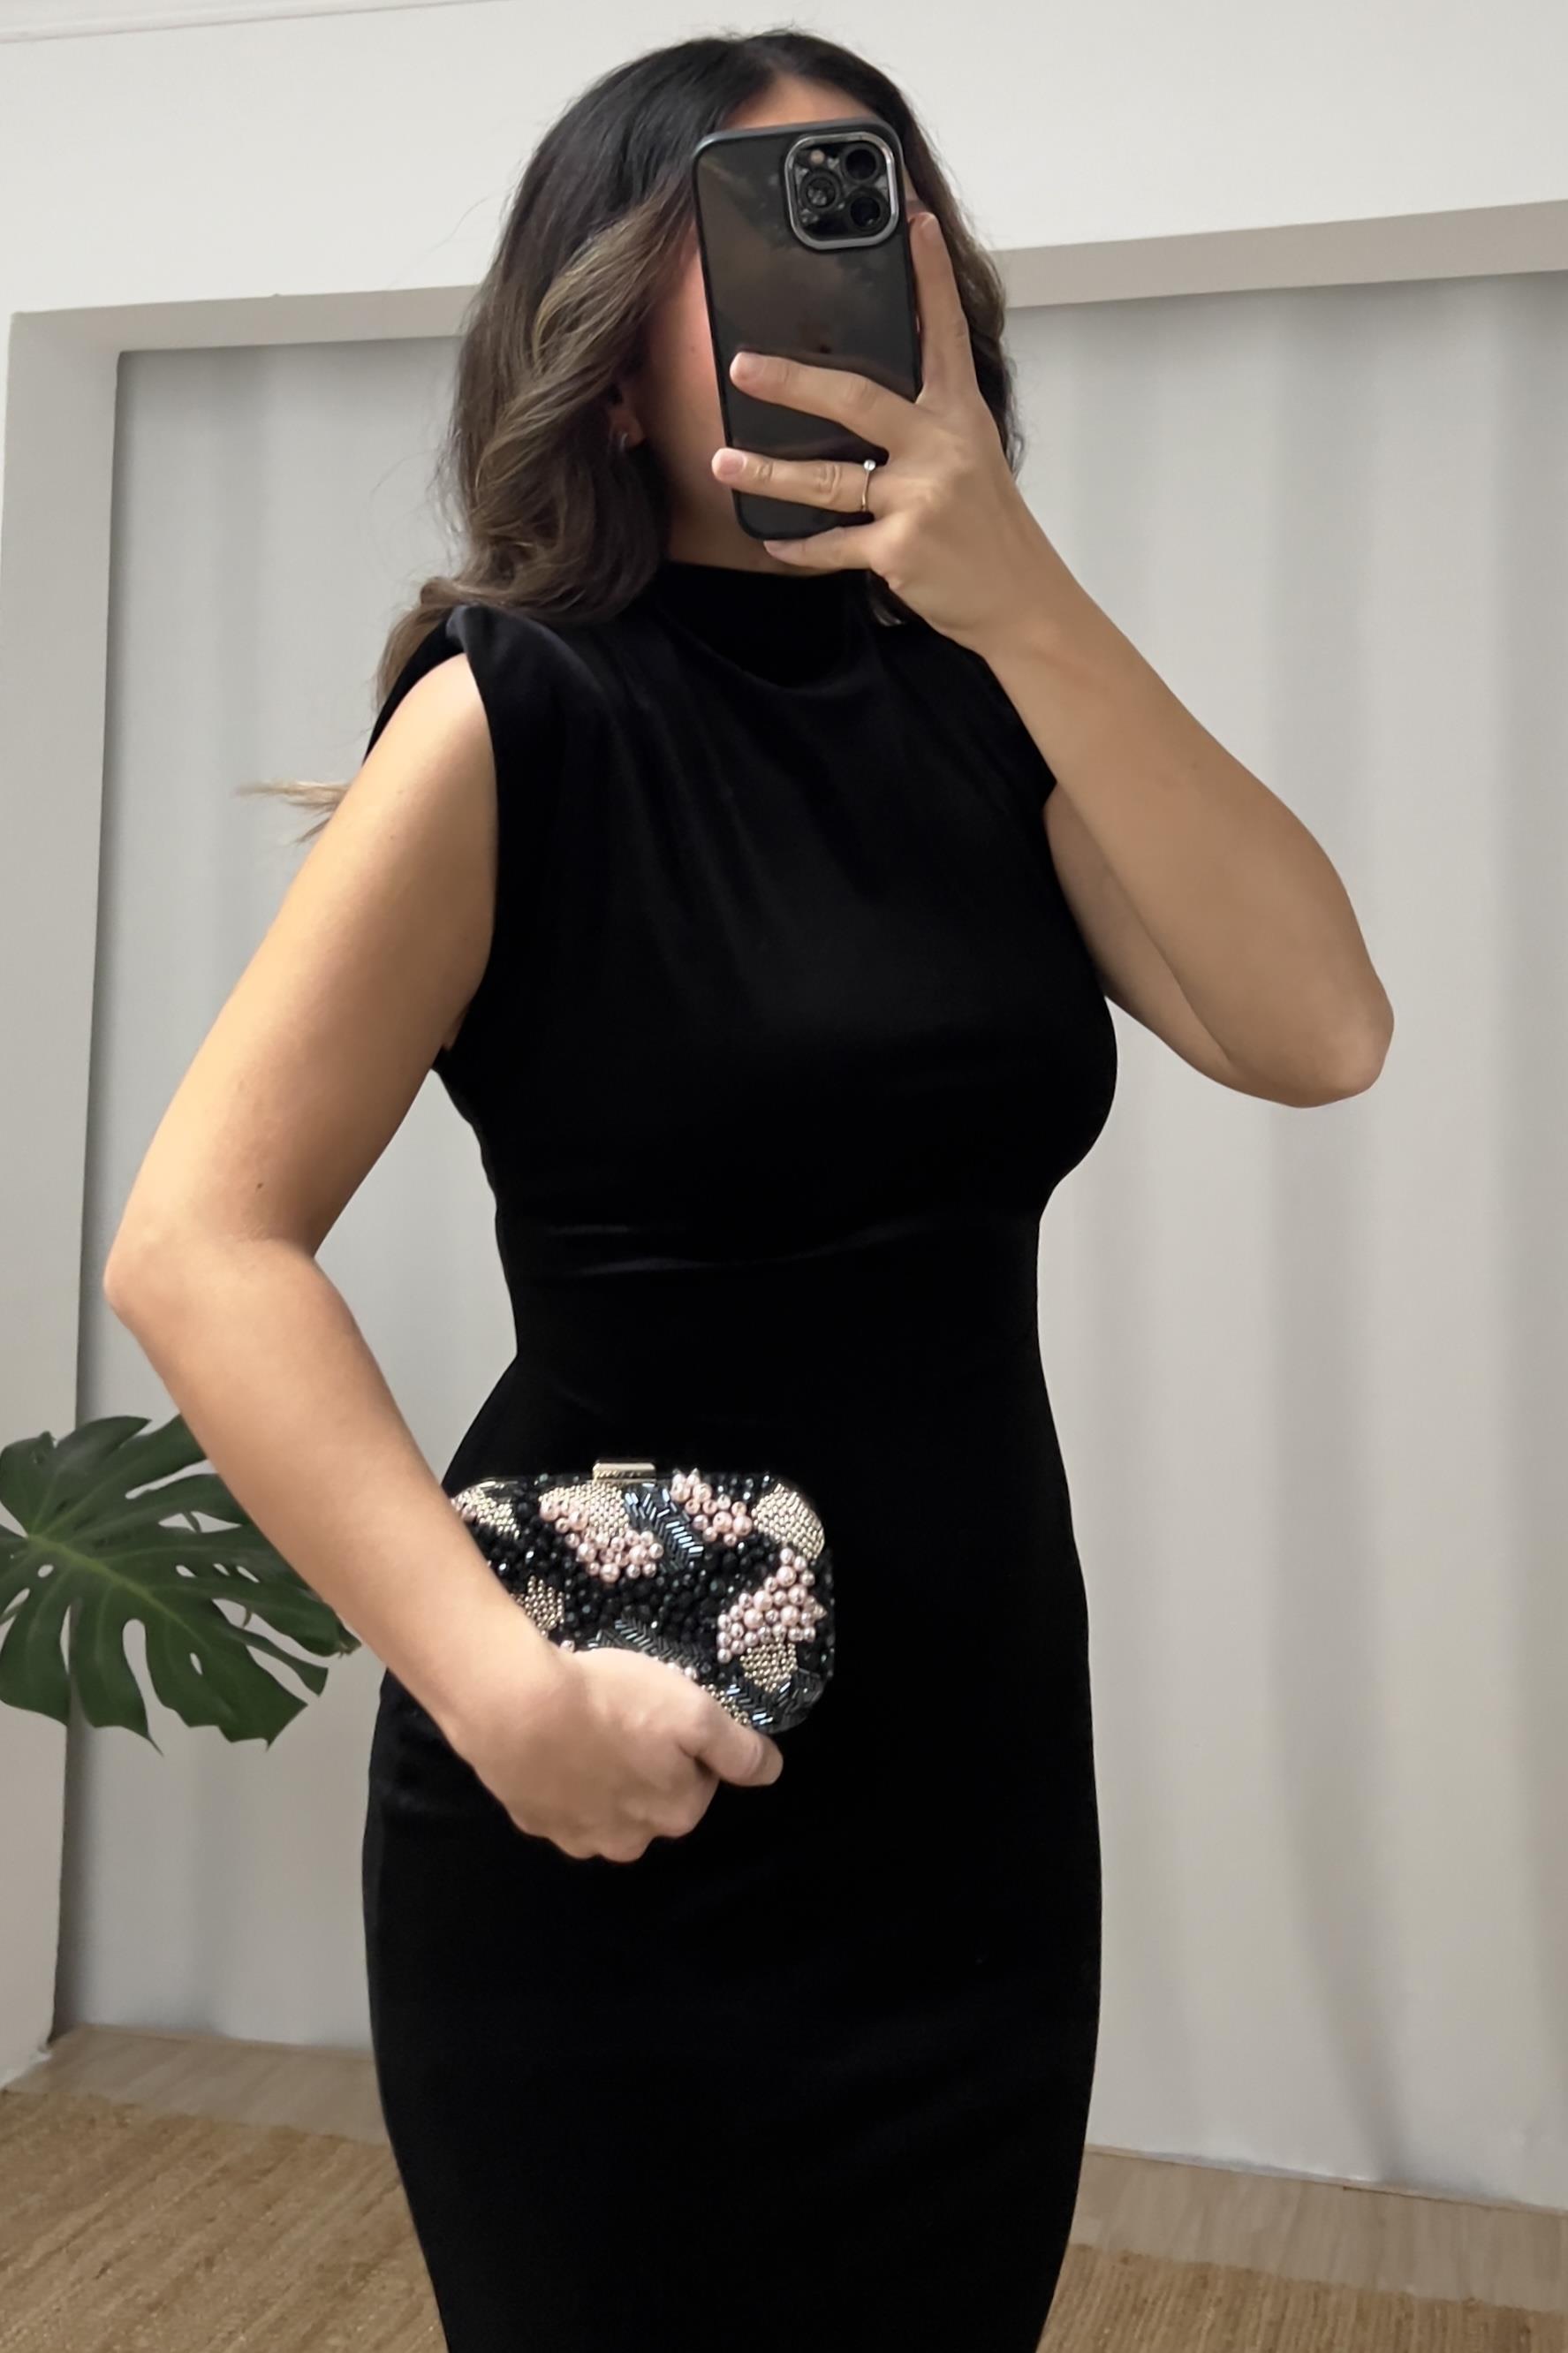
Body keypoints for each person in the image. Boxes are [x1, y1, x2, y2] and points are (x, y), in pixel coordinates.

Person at [106, 27, 1393, 2353]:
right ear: (610, 356)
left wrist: (1025, 598)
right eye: (767, 233)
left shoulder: (997, 702)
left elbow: (1320, 1031)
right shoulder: (514, 714)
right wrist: (495, 1692)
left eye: (889, 222)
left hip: (973, 1784)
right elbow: (199, 1242)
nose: (862, 281)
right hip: (611, 1757)